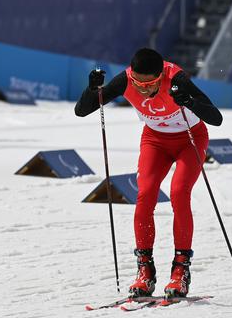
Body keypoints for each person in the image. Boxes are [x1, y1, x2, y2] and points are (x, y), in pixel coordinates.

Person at [74, 48, 222, 299]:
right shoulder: (125, 79)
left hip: (189, 139)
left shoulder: (176, 78)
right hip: (155, 140)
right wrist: (92, 89)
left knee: (179, 193)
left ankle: (180, 271)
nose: (142, 89)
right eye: (137, 83)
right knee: (145, 194)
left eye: (150, 84)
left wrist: (188, 101)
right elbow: (82, 110)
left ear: (160, 76)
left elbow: (215, 118)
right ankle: (145, 270)